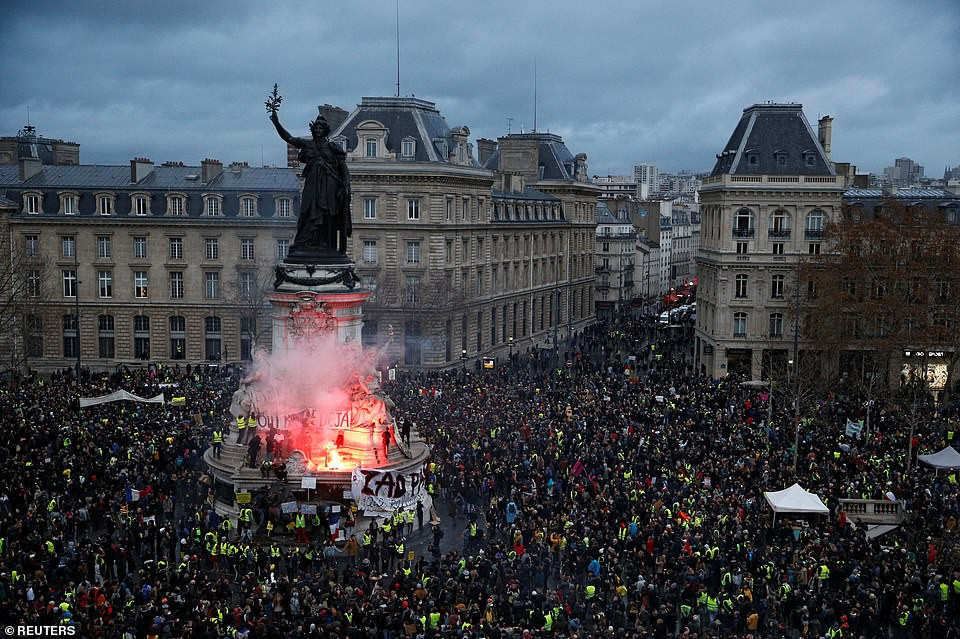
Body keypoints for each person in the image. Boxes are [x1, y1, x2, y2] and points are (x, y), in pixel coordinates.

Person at [268, 95, 351, 256]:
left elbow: (343, 168)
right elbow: (289, 138)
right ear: (313, 130)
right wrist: (277, 123)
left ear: (325, 130)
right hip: (312, 184)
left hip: (329, 185)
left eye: (321, 128)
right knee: (307, 211)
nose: (318, 130)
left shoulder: (333, 147)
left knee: (327, 215)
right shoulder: (308, 144)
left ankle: (327, 244)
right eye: (316, 128)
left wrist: (347, 185)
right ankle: (306, 241)